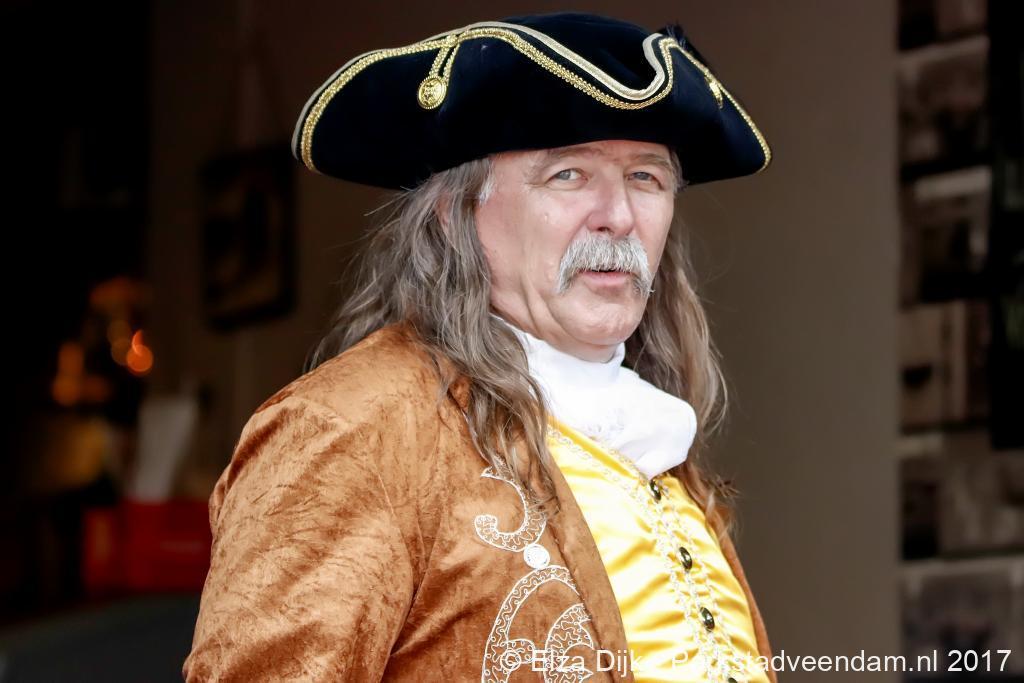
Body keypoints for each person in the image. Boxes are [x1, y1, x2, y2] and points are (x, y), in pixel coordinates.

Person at [185, 12, 775, 683]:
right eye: (569, 174)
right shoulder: (352, 430)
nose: (618, 216)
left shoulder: (655, 440)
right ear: (455, 211)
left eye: (646, 177)